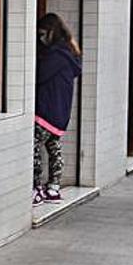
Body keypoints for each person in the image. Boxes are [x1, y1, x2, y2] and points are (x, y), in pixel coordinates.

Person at [33, 13, 82, 206]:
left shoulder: (55, 56)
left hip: (45, 112)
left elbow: (38, 75)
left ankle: (36, 189)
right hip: (60, 114)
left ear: (51, 32)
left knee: (34, 149)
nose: (40, 37)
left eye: (42, 33)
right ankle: (53, 188)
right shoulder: (69, 54)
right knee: (54, 149)